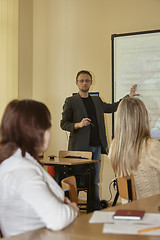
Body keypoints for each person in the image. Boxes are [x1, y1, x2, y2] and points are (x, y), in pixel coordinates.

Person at [60, 70, 138, 210]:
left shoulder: (96, 100)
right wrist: (78, 124)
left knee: (94, 181)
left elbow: (112, 107)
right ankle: (71, 209)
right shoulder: (71, 101)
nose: (85, 83)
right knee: (77, 181)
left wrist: (128, 97)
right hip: (79, 149)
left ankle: (94, 209)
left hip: (96, 146)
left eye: (87, 80)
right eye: (82, 80)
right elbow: (63, 124)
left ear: (91, 82)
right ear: (77, 83)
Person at [0, 99, 79, 238]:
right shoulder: (22, 170)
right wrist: (71, 209)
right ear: (36, 131)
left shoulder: (17, 162)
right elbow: (58, 218)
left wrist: (59, 203)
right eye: (48, 126)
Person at [109, 97, 160, 199]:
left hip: (129, 209)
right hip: (153, 208)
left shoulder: (115, 147)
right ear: (144, 117)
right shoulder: (151, 146)